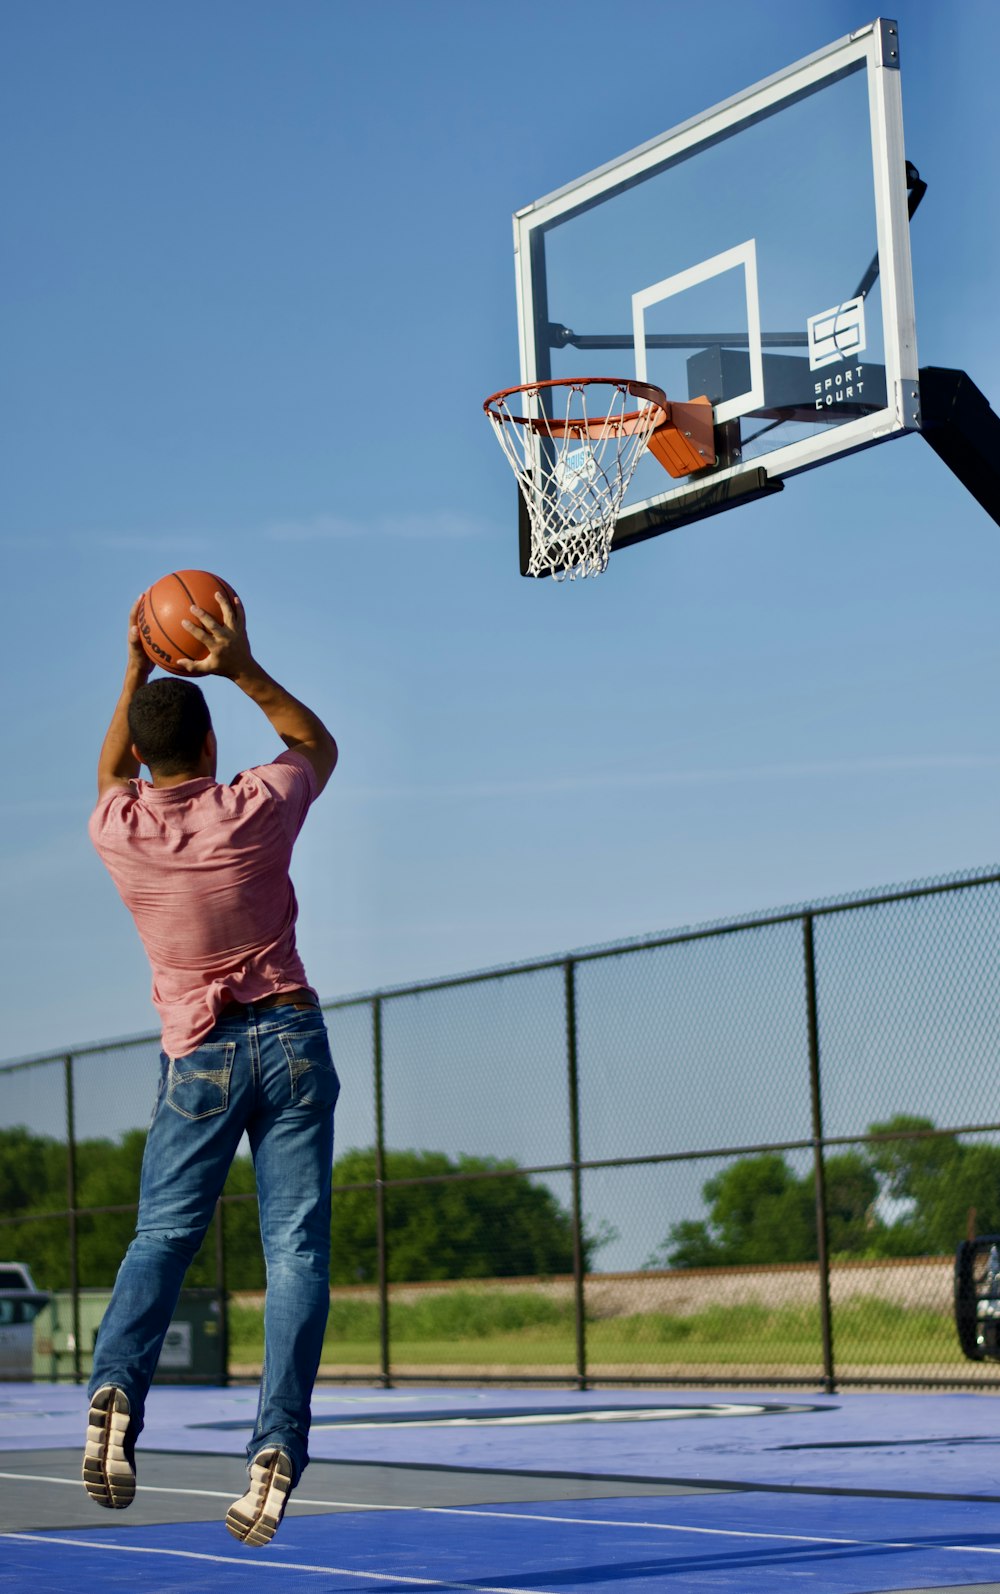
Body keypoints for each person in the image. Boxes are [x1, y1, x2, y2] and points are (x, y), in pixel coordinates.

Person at [83, 587, 339, 1547]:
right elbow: (316, 746)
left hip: (198, 1057)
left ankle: (116, 1389)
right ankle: (276, 1447)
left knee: (162, 1237)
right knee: (297, 1254)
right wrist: (238, 667)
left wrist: (134, 667)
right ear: (211, 749)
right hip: (290, 1038)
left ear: (145, 760)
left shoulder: (120, 831)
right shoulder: (257, 806)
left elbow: (112, 767)